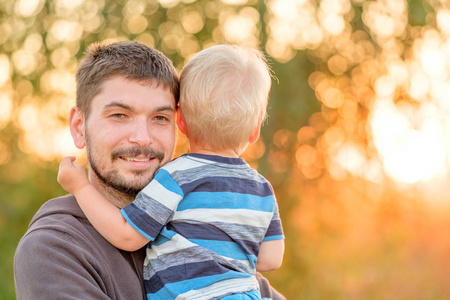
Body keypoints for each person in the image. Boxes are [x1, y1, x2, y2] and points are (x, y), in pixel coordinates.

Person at [13, 40, 286, 300]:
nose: (142, 138)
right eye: (119, 115)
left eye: (160, 118)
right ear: (78, 127)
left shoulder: (207, 238)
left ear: (179, 123)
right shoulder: (56, 249)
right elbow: (270, 256)